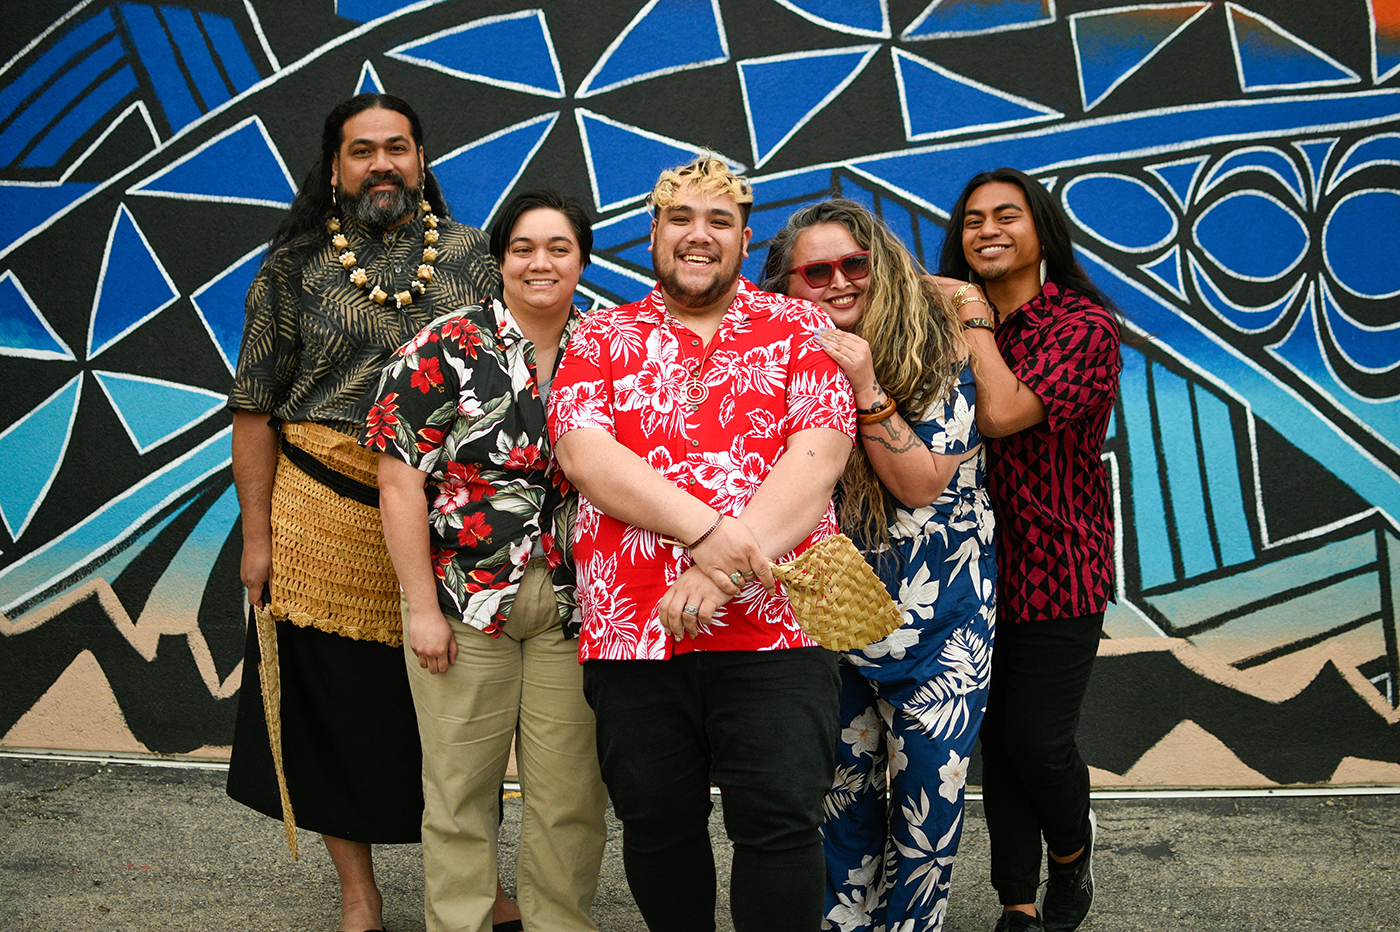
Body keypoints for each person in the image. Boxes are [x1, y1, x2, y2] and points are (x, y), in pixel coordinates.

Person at [546, 156, 856, 932]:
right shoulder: (601, 334)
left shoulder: (800, 331)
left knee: (781, 828)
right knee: (657, 826)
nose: (698, 235)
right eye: (680, 218)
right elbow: (586, 457)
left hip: (778, 632)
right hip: (635, 631)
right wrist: (712, 535)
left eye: (719, 221)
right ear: (653, 234)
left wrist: (718, 576)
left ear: (745, 240)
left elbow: (818, 460)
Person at [224, 92, 507, 932]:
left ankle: (480, 885)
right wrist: (256, 537)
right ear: (335, 165)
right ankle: (360, 893)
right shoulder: (292, 267)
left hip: (453, 515)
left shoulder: (475, 258)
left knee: (465, 711)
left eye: (397, 147)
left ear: (420, 159)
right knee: (337, 710)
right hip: (321, 509)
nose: (381, 163)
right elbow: (253, 409)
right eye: (362, 150)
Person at [371, 189, 608, 932]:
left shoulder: (611, 346)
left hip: (580, 606)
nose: (541, 264)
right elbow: (399, 479)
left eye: (559, 248)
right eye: (524, 248)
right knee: (459, 790)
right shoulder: (444, 346)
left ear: (582, 258)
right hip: (464, 599)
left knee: (570, 796)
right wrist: (419, 608)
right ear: (499, 258)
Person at [760, 199, 995, 932]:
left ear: (881, 265)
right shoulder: (773, 358)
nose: (838, 282)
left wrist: (863, 383)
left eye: (854, 263)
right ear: (787, 286)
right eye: (816, 270)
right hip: (834, 606)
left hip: (943, 618)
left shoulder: (941, 348)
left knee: (928, 808)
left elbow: (922, 481)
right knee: (841, 802)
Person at [938, 167, 1123, 932]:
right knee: (996, 746)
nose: (987, 230)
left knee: (1037, 741)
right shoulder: (949, 323)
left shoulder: (1083, 326)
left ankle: (1072, 854)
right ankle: (1016, 900)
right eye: (973, 219)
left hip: (1059, 568)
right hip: (967, 569)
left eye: (1006, 216)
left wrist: (972, 320)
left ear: (1041, 231)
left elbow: (1006, 411)